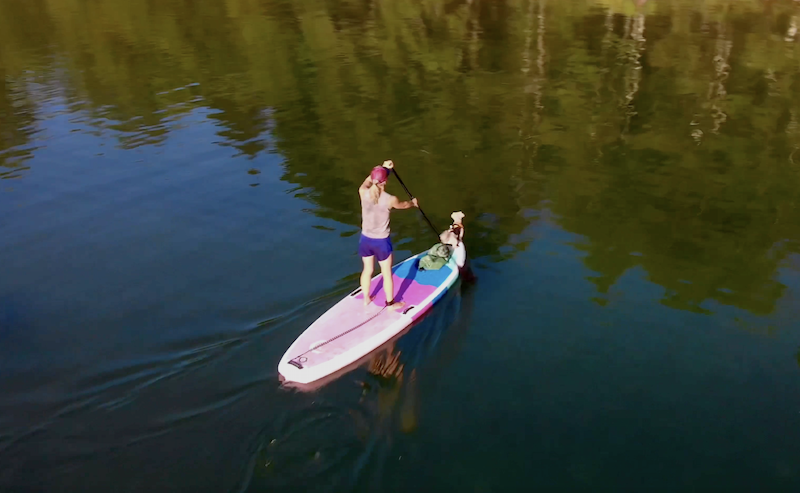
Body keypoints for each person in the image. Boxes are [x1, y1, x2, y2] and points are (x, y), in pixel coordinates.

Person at [358, 160, 418, 310]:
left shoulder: (362, 191)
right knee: (386, 273)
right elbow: (403, 205)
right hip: (381, 242)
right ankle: (390, 304)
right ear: (386, 181)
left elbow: (368, 181)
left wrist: (384, 168)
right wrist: (413, 203)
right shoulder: (390, 199)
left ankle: (366, 298)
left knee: (367, 270)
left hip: (365, 239)